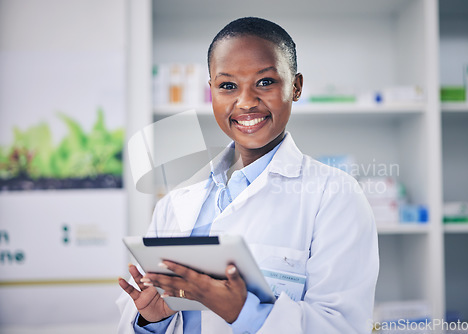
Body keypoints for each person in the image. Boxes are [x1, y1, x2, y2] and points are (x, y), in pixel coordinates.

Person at [117, 17, 379, 334]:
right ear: (211, 91)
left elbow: (343, 326)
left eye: (265, 82)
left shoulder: (336, 195)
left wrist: (246, 313)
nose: (246, 102)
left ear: (295, 87)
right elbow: (135, 314)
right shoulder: (177, 201)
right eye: (228, 86)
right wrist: (151, 320)